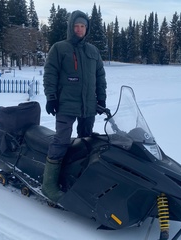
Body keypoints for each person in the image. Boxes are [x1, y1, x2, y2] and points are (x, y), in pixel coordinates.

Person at [42, 10, 107, 202]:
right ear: (71, 27)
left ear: (87, 28)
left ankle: (77, 178)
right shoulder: (59, 48)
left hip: (88, 106)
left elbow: (100, 77)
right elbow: (50, 74)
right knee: (61, 140)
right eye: (76, 26)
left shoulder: (93, 51)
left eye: (83, 26)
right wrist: (51, 97)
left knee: (86, 142)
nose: (79, 29)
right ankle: (49, 185)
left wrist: (101, 99)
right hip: (65, 104)